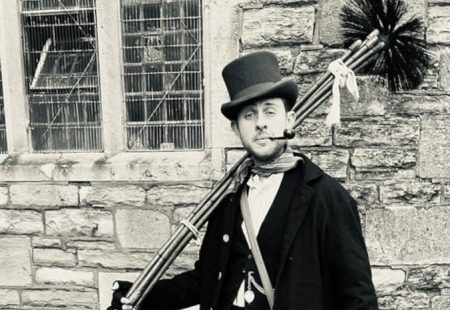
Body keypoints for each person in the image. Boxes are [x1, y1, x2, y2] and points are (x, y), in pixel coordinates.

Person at [109, 51, 378, 310]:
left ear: (290, 120)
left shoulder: (327, 198)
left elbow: (357, 297)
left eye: (270, 112)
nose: (260, 123)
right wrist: (142, 297)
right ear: (237, 128)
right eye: (249, 115)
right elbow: (206, 279)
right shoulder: (228, 198)